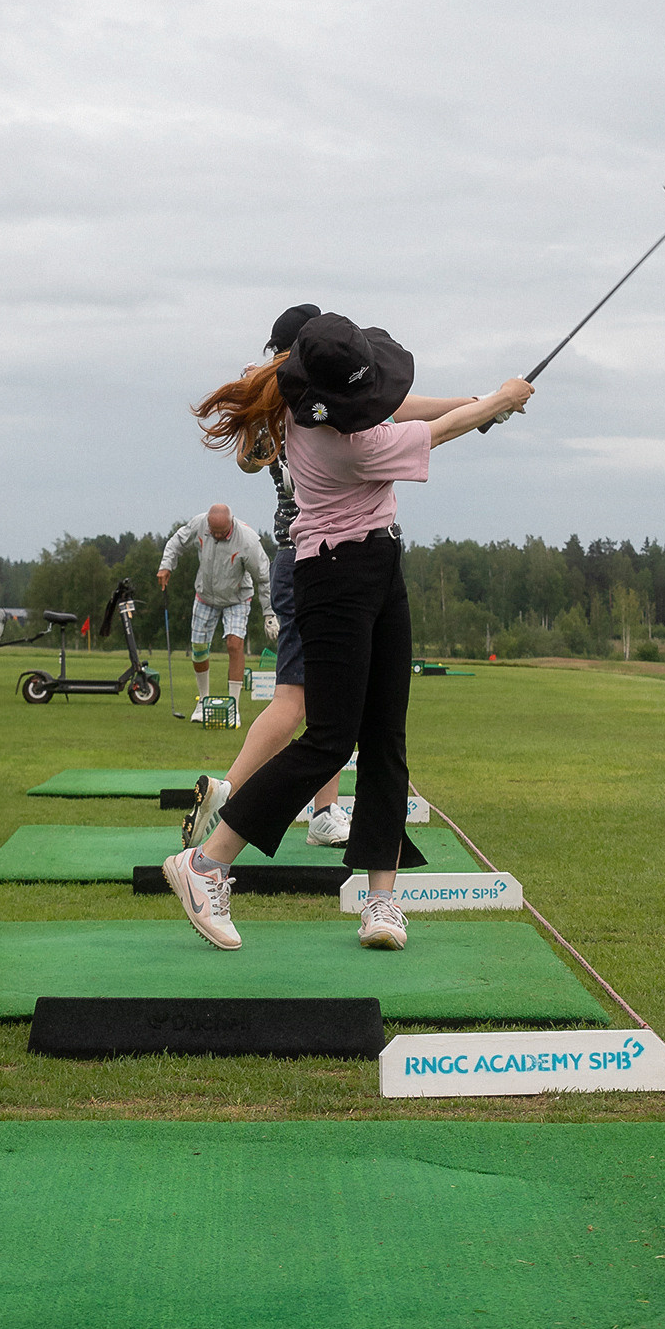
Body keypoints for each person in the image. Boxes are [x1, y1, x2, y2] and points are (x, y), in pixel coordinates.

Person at [161, 314, 532, 951]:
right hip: (334, 578)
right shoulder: (342, 442)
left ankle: (381, 903)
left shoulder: (302, 385)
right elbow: (428, 433)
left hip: (379, 563)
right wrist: (494, 403)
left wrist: (478, 402)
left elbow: (401, 405)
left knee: (386, 734)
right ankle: (207, 864)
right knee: (330, 738)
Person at [182, 304, 346, 850]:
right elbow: (253, 459)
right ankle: (231, 789)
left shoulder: (282, 405)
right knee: (295, 699)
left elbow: (250, 460)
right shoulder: (304, 406)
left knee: (324, 700)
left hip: (293, 557)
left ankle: (325, 812)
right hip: (310, 561)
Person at [157, 502, 272, 715]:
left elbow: (264, 578)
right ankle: (203, 701)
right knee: (199, 648)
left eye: (222, 532)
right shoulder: (200, 524)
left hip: (237, 597)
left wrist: (269, 613)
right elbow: (176, 542)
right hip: (205, 596)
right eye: (213, 532)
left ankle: (233, 707)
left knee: (234, 644)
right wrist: (166, 565)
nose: (217, 536)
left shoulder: (248, 541)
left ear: (231, 523)